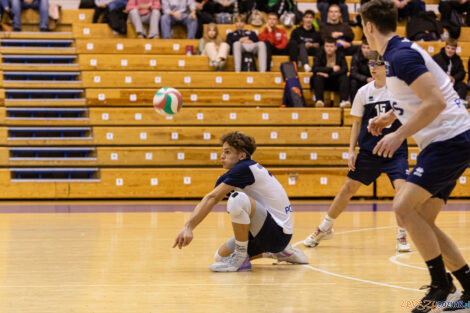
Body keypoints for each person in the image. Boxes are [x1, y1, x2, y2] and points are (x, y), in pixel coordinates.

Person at [360, 0, 470, 312]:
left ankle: (440, 284)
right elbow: (425, 93)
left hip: (448, 140)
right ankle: (468, 286)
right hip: (449, 139)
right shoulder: (398, 52)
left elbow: (434, 102)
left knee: (403, 207)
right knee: (422, 219)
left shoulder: (400, 56)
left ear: (368, 26)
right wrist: (390, 118)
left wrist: (398, 134)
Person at [304, 50, 411, 253]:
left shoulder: (397, 90)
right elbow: (356, 123)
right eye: (371, 63)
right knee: (347, 190)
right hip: (369, 151)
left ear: (386, 66)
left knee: (402, 191)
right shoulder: (364, 92)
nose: (372, 66)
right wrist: (351, 150)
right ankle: (325, 227)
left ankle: (402, 234)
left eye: (377, 63)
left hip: (394, 150)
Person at [173, 131, 308, 272]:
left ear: (242, 155)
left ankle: (241, 258)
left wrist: (188, 227)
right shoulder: (235, 173)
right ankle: (279, 252)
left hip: (278, 233)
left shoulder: (245, 168)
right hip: (264, 231)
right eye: (222, 152)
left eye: (227, 152)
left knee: (237, 198)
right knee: (220, 257)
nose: (222, 156)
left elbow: (212, 198)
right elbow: (212, 198)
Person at [310, 37, 350, 108]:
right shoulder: (320, 54)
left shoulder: (340, 54)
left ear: (335, 47)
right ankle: (319, 101)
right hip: (323, 82)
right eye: (327, 46)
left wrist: (328, 74)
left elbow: (345, 69)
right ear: (324, 46)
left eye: (331, 46)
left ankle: (343, 101)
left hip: (335, 80)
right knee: (317, 77)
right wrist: (331, 69)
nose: (329, 48)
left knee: (345, 78)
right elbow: (315, 68)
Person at [432, 39, 468, 106]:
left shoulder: (457, 59)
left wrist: (454, 78)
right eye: (448, 48)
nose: (450, 50)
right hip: (440, 82)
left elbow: (462, 72)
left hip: (452, 82)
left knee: (462, 85)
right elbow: (432, 71)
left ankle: (459, 103)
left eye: (452, 49)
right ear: (445, 47)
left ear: (455, 50)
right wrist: (444, 77)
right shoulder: (436, 57)